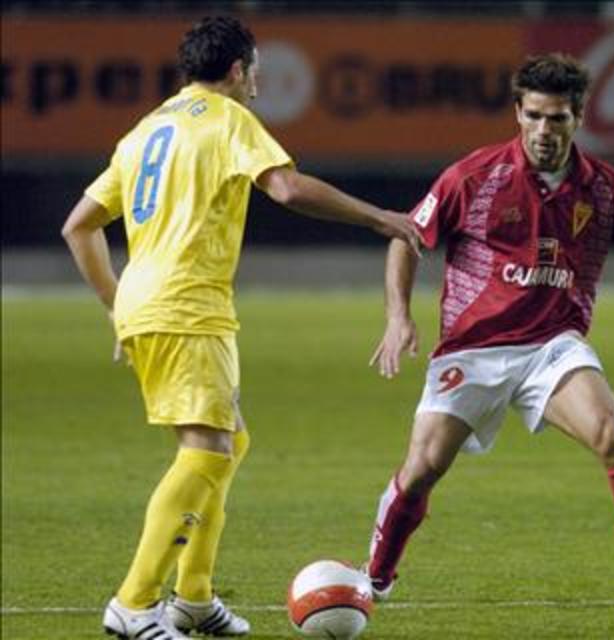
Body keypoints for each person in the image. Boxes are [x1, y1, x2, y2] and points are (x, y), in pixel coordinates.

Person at [62, 16, 419, 640]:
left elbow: (79, 226)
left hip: (156, 302)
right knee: (206, 450)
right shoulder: (228, 119)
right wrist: (378, 218)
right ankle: (133, 604)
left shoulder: (146, 130)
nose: (256, 82)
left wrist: (118, 306)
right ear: (237, 69)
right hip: (187, 305)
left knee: (231, 442)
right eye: (255, 71)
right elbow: (287, 188)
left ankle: (194, 598)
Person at [364, 53, 614, 608]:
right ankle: (374, 577)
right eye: (533, 115)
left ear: (578, 118)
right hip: (473, 347)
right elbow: (406, 237)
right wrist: (398, 317)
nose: (543, 130)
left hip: (552, 347)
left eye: (557, 118)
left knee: (610, 434)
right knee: (422, 469)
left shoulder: (604, 188)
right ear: (517, 112)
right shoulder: (474, 176)